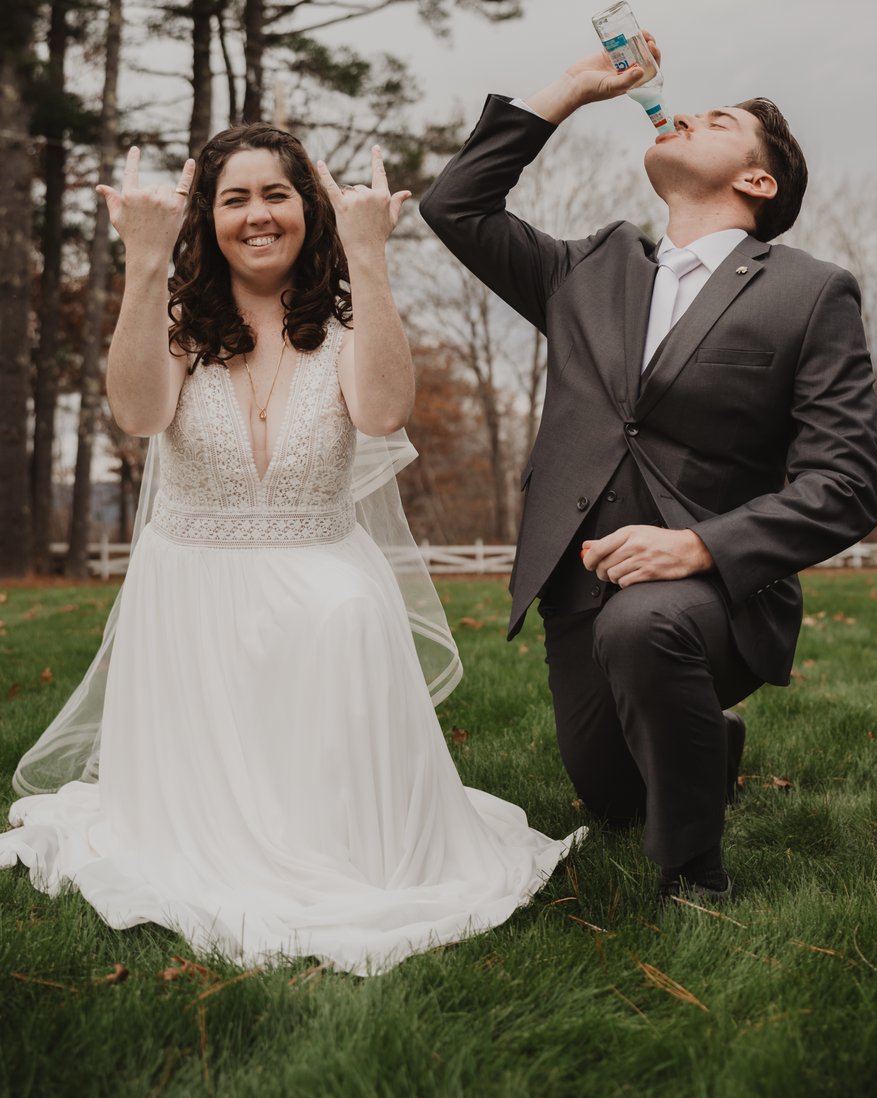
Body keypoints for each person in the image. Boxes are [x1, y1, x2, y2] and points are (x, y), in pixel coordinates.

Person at [0, 124, 580, 974]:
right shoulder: (175, 317)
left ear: (310, 210)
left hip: (320, 567)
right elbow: (134, 415)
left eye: (277, 194)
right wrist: (144, 261)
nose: (258, 214)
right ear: (209, 216)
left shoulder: (346, 321)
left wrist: (370, 255)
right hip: (190, 587)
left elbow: (383, 412)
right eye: (235, 198)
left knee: (346, 610)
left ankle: (344, 840)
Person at [419, 35, 877, 907]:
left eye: (720, 121)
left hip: (714, 593)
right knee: (609, 793)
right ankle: (710, 736)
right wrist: (571, 90)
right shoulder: (584, 272)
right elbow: (456, 205)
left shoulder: (811, 293)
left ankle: (693, 875)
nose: (685, 115)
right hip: (577, 586)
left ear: (758, 182)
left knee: (645, 630)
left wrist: (700, 548)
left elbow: (848, 483)